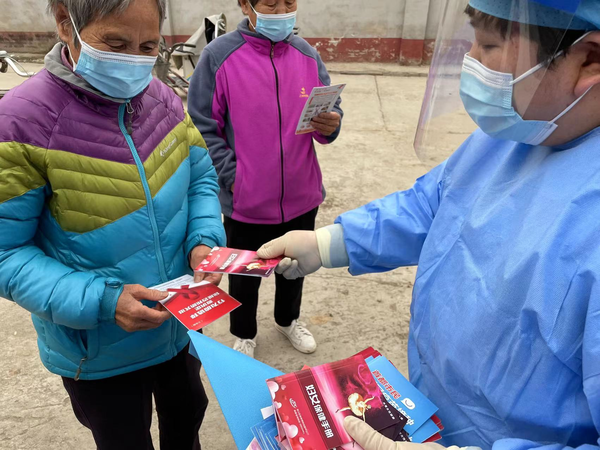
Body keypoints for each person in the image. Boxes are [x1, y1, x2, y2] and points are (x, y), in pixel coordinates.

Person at [258, 0, 600, 449]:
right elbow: (434, 204)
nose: (471, 60)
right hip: (434, 410)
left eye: (490, 46)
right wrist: (329, 242)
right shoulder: (522, 131)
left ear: (589, 59)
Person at [0, 0, 226, 448]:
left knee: (187, 415)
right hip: (98, 348)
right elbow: (6, 253)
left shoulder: (162, 98)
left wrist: (203, 239)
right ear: (66, 23)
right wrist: (103, 300)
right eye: (116, 44)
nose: (134, 62)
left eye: (148, 47)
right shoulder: (20, 122)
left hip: (178, 325)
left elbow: (200, 177)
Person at [188, 0, 343, 358]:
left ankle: (288, 320)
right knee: (244, 274)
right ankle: (244, 333)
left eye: (289, 2)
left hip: (302, 193)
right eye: (271, 4)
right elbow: (202, 126)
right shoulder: (219, 57)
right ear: (246, 4)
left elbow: (328, 112)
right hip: (247, 200)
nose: (282, 11)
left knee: (295, 267)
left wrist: (331, 124)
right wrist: (234, 177)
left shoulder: (307, 55)